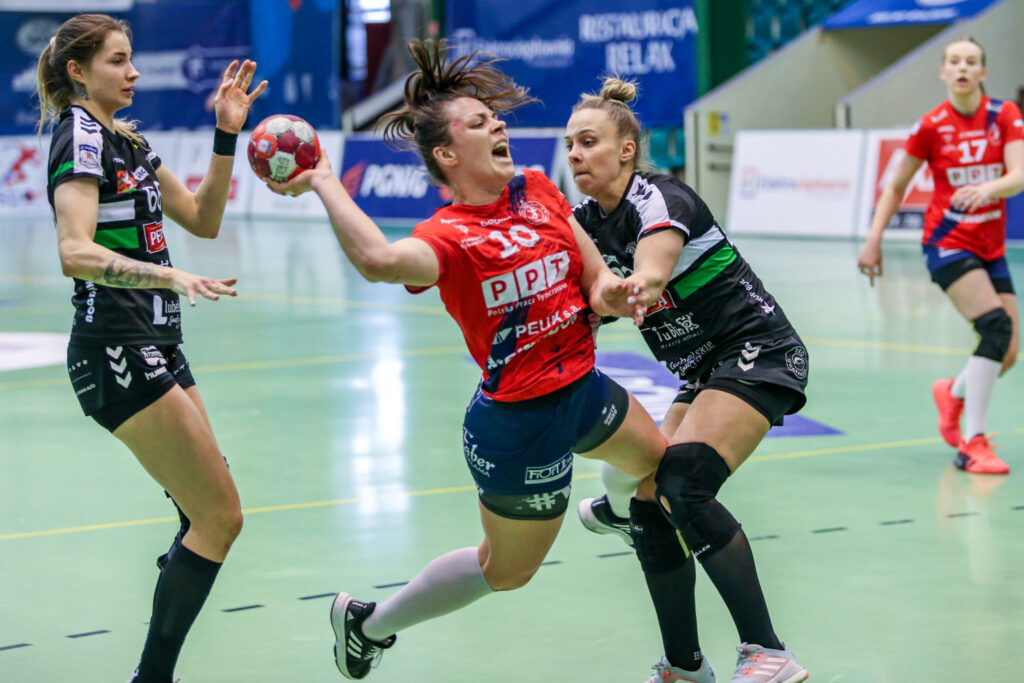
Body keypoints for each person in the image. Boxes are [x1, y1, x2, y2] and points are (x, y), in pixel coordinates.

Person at [267, 39, 697, 681]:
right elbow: (380, 261)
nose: (499, 126)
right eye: (478, 123)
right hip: (519, 427)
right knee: (507, 570)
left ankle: (614, 511)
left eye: (494, 118)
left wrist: (613, 291)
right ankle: (368, 624)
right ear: (447, 154)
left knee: (658, 469)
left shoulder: (539, 189)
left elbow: (595, 276)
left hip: (581, 386)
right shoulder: (448, 237)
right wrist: (324, 179)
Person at [38, 14, 266, 682]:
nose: (133, 71)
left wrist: (226, 133)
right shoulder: (80, 138)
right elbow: (74, 251)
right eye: (117, 60)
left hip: (159, 341)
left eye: (131, 58)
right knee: (219, 515)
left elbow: (203, 218)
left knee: (208, 513)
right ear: (79, 71)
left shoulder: (129, 142)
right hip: (115, 345)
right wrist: (168, 275)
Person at [565, 77, 811, 683]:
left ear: (626, 150)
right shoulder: (584, 222)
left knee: (683, 486)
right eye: (570, 145)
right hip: (704, 369)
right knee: (651, 508)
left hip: (757, 350)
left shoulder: (661, 198)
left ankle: (769, 652)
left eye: (589, 142)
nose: (575, 154)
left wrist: (621, 292)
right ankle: (684, 667)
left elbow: (651, 273)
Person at [858, 37, 1024, 475]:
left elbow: (1020, 174)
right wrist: (874, 238)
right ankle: (973, 444)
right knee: (995, 327)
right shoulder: (930, 126)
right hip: (947, 242)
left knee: (1007, 352)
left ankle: (953, 393)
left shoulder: (1005, 115)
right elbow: (896, 186)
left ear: (983, 72)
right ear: (944, 72)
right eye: (954, 61)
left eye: (971, 61)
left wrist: (987, 189)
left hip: (991, 247)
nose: (962, 67)